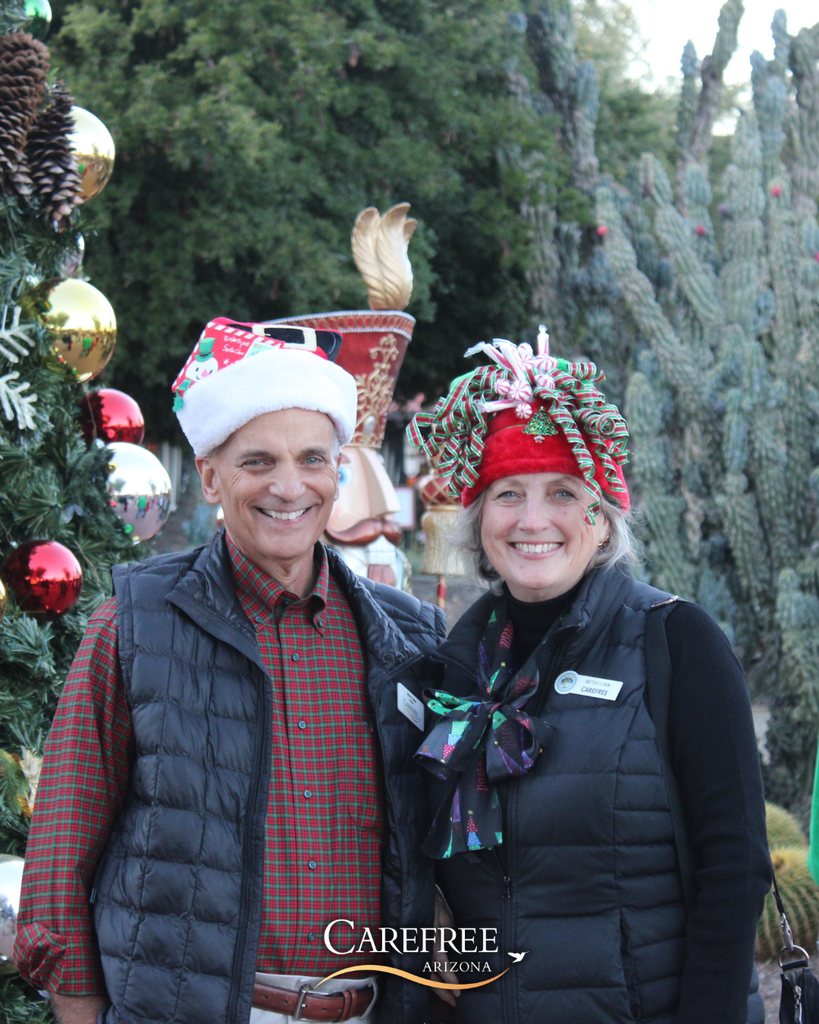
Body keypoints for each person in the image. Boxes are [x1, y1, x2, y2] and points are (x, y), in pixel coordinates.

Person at [14, 317, 445, 1024]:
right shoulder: (136, 625)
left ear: (337, 471)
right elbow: (61, 861)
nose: (288, 486)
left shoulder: (408, 639)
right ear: (211, 477)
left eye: (311, 459)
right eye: (257, 462)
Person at [407, 331, 772, 1024]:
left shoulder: (674, 642)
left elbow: (734, 867)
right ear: (479, 521)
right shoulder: (455, 665)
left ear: (602, 521)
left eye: (563, 493)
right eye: (507, 494)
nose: (533, 519)